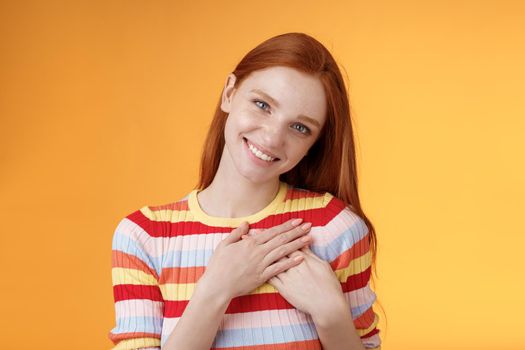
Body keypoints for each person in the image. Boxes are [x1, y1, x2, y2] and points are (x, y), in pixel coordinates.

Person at [108, 32, 383, 350]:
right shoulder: (144, 236)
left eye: (299, 127)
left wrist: (332, 315)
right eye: (262, 105)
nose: (272, 137)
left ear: (313, 145)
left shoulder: (335, 228)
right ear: (229, 93)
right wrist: (215, 290)